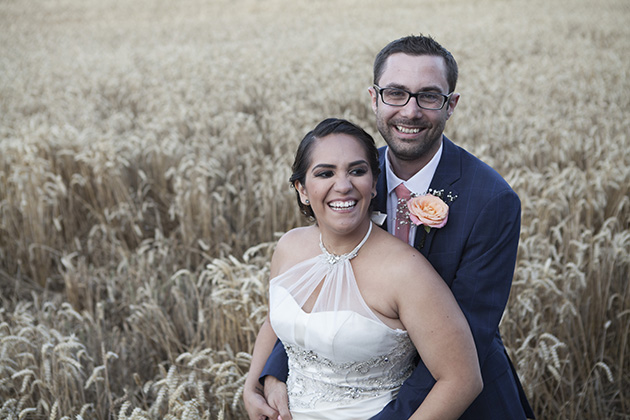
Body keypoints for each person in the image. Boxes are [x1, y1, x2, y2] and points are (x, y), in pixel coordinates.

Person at [247, 35, 535, 419]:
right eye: (396, 93)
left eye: (429, 96)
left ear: (451, 105)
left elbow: (466, 343)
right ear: (375, 98)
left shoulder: (491, 201)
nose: (410, 111)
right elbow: (319, 286)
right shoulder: (353, 176)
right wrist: (273, 374)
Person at [244, 118, 483, 420]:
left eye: (357, 171)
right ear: (302, 189)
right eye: (325, 173)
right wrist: (252, 385)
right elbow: (274, 320)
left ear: (373, 185)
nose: (343, 186)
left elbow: (462, 380)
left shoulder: (405, 271)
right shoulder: (288, 247)